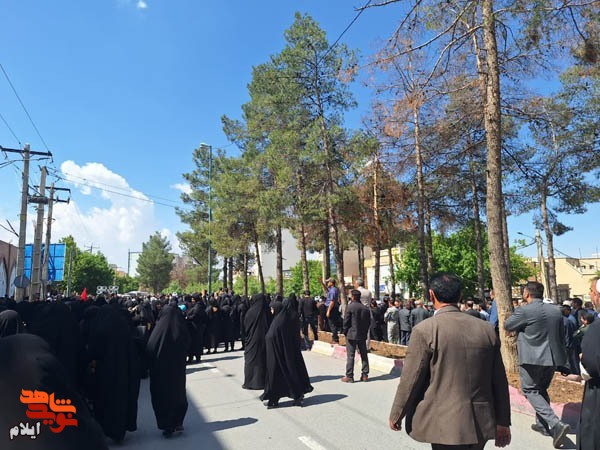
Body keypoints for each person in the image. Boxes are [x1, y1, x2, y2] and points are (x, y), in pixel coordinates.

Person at [389, 272, 511, 450]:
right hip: (481, 421)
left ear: (431, 295)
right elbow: (499, 380)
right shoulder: (486, 329)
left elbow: (411, 379)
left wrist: (397, 413)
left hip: (444, 423)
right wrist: (503, 421)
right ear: (460, 295)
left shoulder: (425, 330)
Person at [504, 281, 569, 448]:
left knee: (530, 390)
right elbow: (562, 335)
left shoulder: (525, 310)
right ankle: (542, 424)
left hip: (531, 358)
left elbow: (508, 325)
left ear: (527, 293)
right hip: (552, 358)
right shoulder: (555, 310)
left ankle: (555, 424)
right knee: (541, 389)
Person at [82, 305, 140, 443]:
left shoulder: (99, 329)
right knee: (120, 400)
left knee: (104, 401)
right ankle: (119, 432)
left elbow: (93, 351)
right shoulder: (123, 328)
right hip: (123, 371)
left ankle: (105, 429)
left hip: (103, 372)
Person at [260, 298, 313, 408]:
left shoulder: (280, 321)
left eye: (272, 309)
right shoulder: (288, 319)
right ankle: (288, 398)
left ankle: (276, 399)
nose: (271, 311)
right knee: (288, 374)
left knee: (277, 375)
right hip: (287, 354)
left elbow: (272, 336)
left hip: (279, 354)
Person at [146, 304, 190, 437]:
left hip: (161, 372)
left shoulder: (158, 331)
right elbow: (188, 344)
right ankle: (177, 422)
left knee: (162, 397)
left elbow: (150, 348)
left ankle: (167, 425)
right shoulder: (182, 329)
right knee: (178, 395)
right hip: (177, 371)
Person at [578, 277, 600, 450]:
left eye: (592, 292)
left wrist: (582, 358)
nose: (591, 296)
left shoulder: (597, 327)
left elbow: (592, 363)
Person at [341, 290, 370, 383]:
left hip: (351, 334)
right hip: (362, 334)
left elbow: (346, 321)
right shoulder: (365, 308)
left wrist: (345, 331)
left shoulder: (350, 307)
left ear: (352, 296)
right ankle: (365, 375)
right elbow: (368, 322)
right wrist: (365, 332)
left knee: (351, 355)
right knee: (364, 354)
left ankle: (349, 376)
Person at [242, 293, 269, 390]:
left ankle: (249, 382)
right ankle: (261, 382)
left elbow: (245, 326)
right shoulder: (266, 311)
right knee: (262, 359)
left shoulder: (250, 312)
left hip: (252, 340)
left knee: (250, 360)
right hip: (264, 339)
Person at [320, 278, 341, 343]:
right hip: (330, 307)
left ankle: (335, 339)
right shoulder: (331, 289)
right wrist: (322, 283)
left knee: (332, 324)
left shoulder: (333, 291)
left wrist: (328, 311)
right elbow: (326, 290)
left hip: (332, 308)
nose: (327, 283)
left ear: (331, 283)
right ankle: (334, 338)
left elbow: (332, 301)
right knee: (330, 323)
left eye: (328, 282)